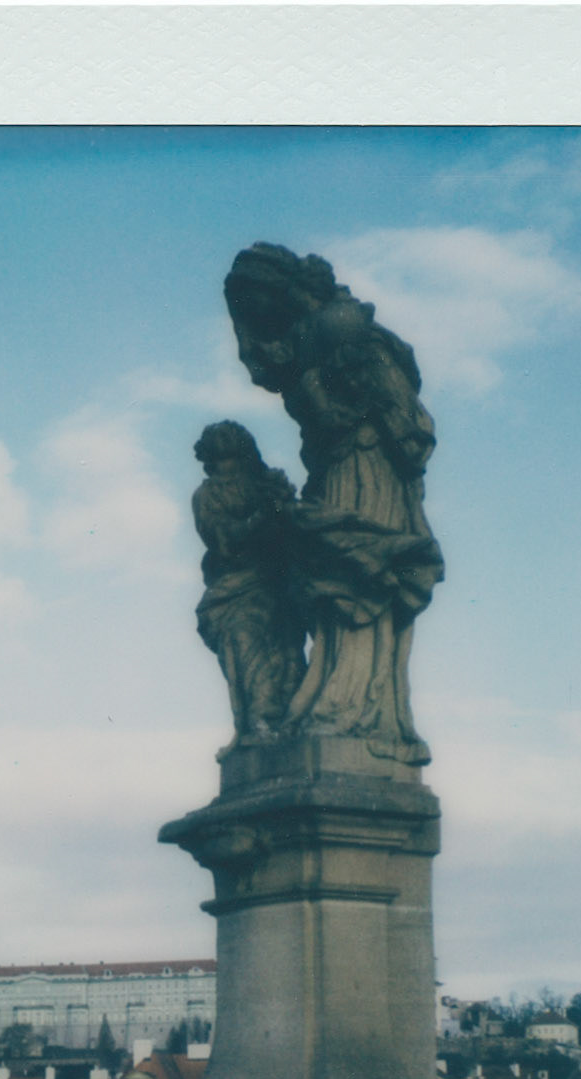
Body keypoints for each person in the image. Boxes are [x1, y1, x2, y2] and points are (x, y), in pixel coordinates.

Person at [223, 244, 444, 765]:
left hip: (366, 469)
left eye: (259, 305)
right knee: (329, 576)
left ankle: (353, 711)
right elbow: (274, 369)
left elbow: (405, 419)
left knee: (351, 573)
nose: (256, 321)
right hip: (337, 468)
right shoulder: (309, 336)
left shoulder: (339, 327)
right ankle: (337, 701)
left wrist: (380, 429)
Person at [191, 421, 306, 743]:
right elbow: (222, 537)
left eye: (235, 458)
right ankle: (258, 723)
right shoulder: (206, 495)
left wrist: (285, 506)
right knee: (246, 646)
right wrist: (263, 517)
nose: (229, 467)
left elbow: (293, 530)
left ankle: (286, 726)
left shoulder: (264, 485)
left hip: (277, 585)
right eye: (221, 459)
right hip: (235, 590)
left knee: (289, 657)